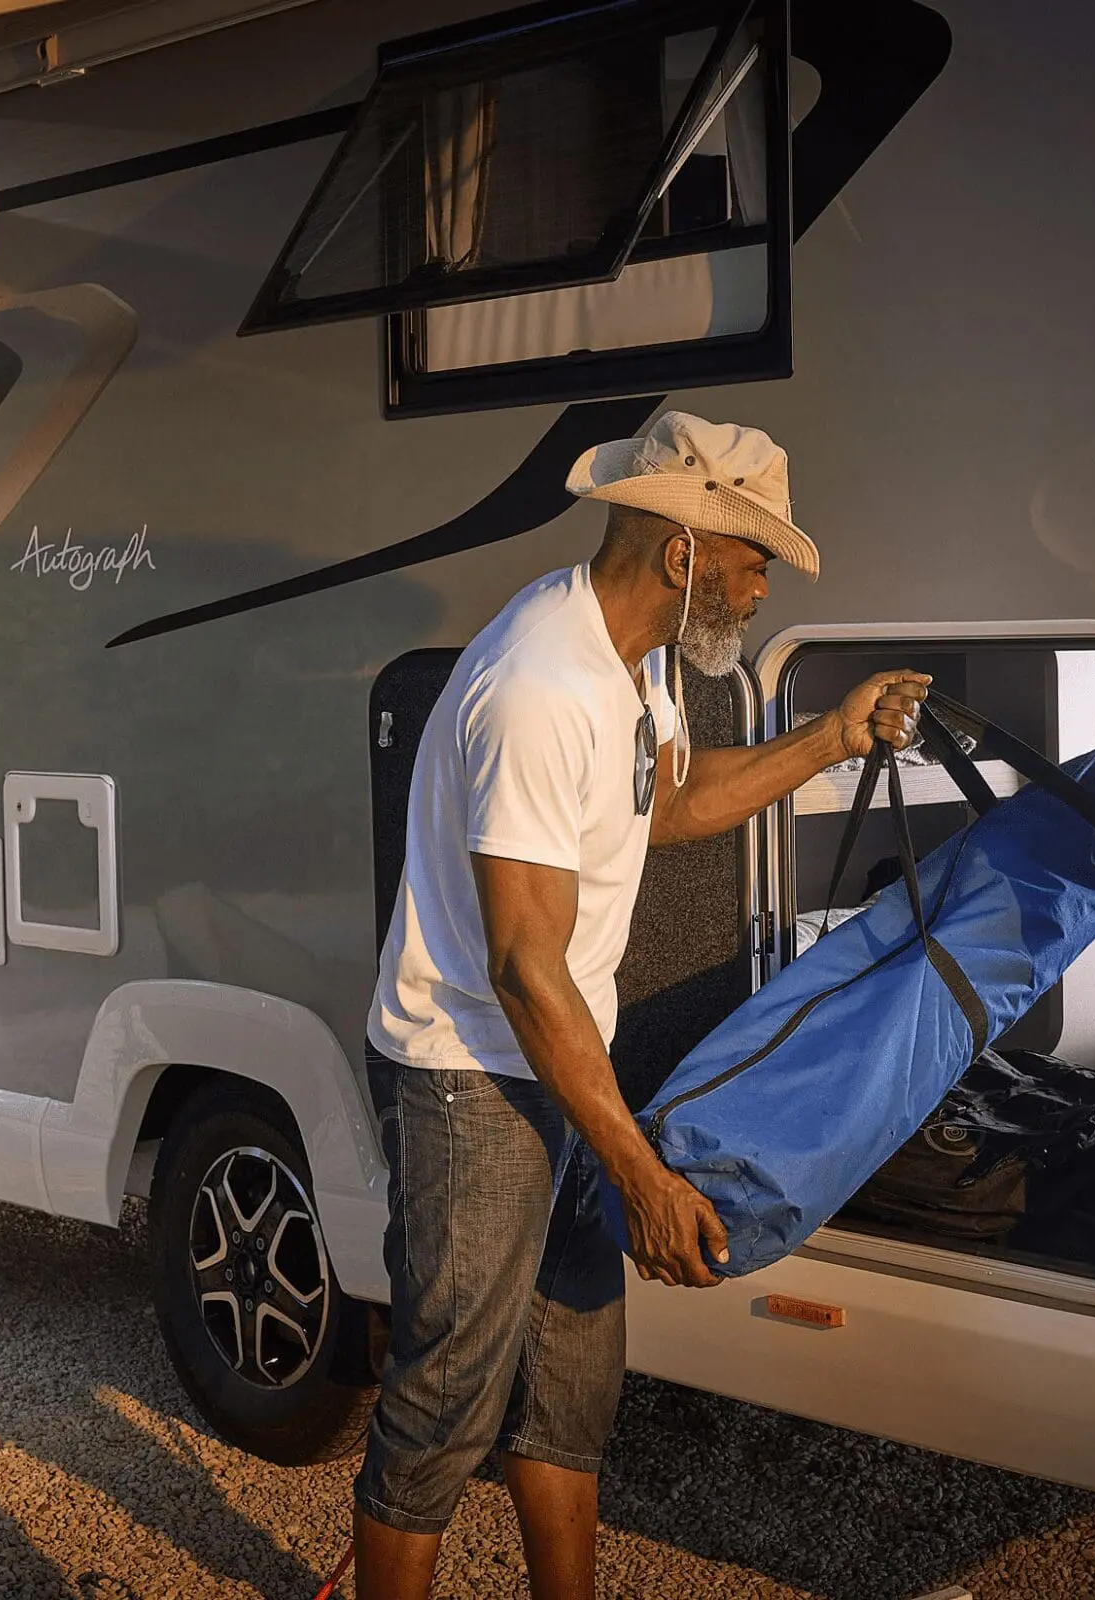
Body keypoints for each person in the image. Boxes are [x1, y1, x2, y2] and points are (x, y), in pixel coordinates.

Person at [356, 411, 930, 1600]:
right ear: (681, 553)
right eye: (751, 554)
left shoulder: (635, 660)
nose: (761, 583)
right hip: (470, 1079)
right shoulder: (540, 686)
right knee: (442, 1407)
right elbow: (521, 965)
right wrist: (637, 1171)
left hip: (567, 1069)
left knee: (567, 1394)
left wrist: (829, 735)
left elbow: (664, 802)